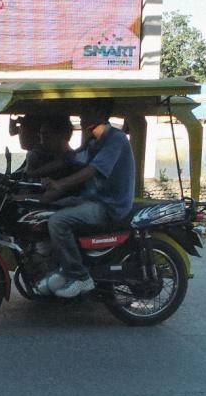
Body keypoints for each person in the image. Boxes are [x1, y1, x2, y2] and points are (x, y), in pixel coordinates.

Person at [34, 100, 135, 299]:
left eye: (86, 110)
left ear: (101, 112)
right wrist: (34, 173)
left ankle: (80, 276)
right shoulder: (93, 142)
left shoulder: (116, 139)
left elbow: (91, 170)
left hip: (109, 206)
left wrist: (60, 184)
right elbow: (67, 159)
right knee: (44, 211)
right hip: (90, 200)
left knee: (58, 221)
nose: (81, 115)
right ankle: (62, 264)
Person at [22, 115, 74, 179]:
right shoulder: (43, 156)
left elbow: (31, 174)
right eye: (41, 135)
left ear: (62, 135)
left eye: (46, 136)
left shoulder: (73, 159)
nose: (42, 140)